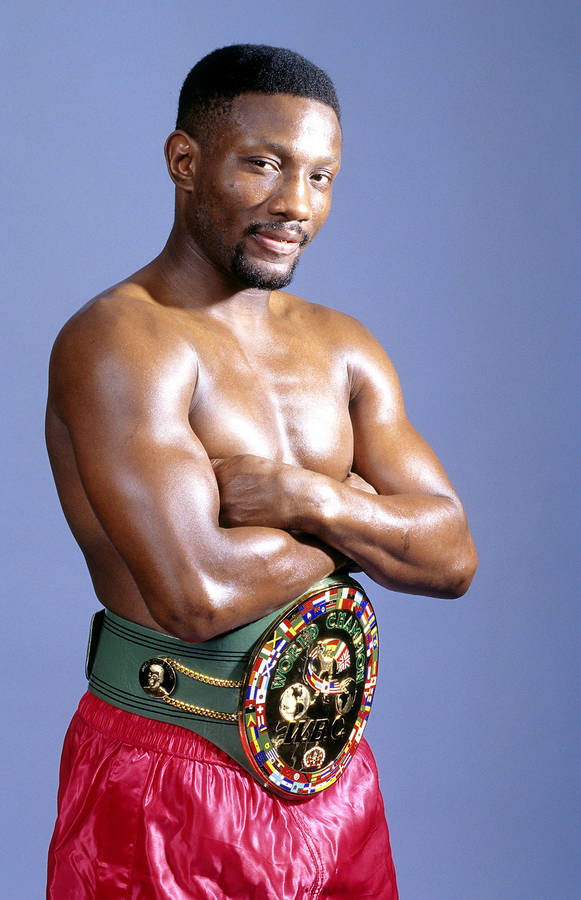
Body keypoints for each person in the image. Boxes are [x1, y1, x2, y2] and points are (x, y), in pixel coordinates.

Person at [46, 44, 477, 899]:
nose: (295, 206)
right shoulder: (122, 345)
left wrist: (306, 497)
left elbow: (453, 556)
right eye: (265, 165)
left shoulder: (345, 347)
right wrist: (360, 516)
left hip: (335, 777)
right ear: (184, 161)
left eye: (320, 177)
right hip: (168, 780)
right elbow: (194, 595)